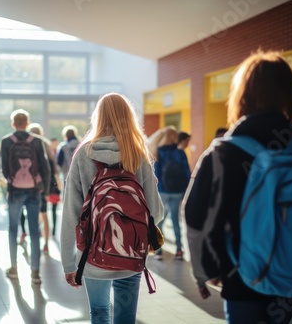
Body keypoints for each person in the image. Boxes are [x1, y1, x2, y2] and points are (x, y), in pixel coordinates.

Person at [182, 51, 292, 324]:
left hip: (240, 278)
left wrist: (204, 271)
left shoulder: (222, 152)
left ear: (241, 94)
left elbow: (195, 215)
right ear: (289, 94)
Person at [60, 92, 164, 324]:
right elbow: (156, 213)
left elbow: (71, 214)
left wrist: (69, 263)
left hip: (93, 256)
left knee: (99, 313)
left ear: (98, 117)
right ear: (129, 117)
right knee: (125, 318)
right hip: (131, 255)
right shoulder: (138, 154)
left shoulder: (83, 154)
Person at [1, 109, 51, 283]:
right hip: (33, 191)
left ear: (13, 123)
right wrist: (43, 188)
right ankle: (35, 272)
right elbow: (45, 167)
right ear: (28, 123)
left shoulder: (6, 141)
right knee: (34, 231)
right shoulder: (36, 142)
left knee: (13, 228)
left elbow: (4, 169)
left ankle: (14, 268)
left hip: (15, 190)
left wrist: (12, 181)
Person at [153, 126, 191, 260]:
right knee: (176, 220)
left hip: (163, 191)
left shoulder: (158, 152)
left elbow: (156, 174)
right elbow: (187, 172)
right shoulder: (180, 152)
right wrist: (185, 190)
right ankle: (179, 251)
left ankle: (158, 251)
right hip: (177, 191)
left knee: (160, 221)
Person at [27, 122, 60, 254]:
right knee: (45, 213)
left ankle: (35, 238)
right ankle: (46, 243)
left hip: (32, 184)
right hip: (47, 184)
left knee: (34, 213)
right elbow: (53, 167)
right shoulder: (46, 144)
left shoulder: (28, 145)